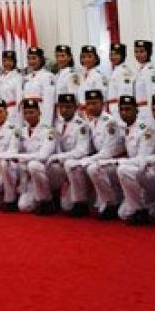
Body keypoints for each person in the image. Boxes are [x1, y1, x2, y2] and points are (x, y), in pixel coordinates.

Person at [63, 89, 117, 217]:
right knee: (71, 164)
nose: (91, 107)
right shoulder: (91, 122)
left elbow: (107, 152)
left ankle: (110, 204)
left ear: (102, 104)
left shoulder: (110, 122)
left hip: (113, 161)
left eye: (94, 103)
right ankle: (80, 203)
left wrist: (86, 160)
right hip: (99, 160)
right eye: (89, 104)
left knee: (92, 168)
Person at [40, 93, 91, 213]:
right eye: (61, 107)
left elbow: (82, 151)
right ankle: (52, 197)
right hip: (62, 164)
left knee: (67, 207)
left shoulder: (82, 125)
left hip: (76, 165)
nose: (64, 110)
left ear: (75, 108)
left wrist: (60, 156)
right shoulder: (57, 125)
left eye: (68, 107)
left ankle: (80, 202)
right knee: (44, 166)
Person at [115, 95, 155, 223]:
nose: (125, 113)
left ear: (137, 110)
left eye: (128, 109)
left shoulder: (145, 130)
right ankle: (145, 206)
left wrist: (120, 162)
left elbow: (143, 158)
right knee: (122, 213)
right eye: (122, 110)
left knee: (123, 169)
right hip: (136, 170)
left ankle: (140, 210)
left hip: (150, 172)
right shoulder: (126, 129)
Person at [4, 99, 56, 213]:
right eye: (26, 113)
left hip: (44, 171)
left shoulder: (48, 131)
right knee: (24, 207)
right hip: (26, 174)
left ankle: (46, 200)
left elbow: (43, 155)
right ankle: (10, 198)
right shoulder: (20, 131)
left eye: (31, 112)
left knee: (33, 165)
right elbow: (12, 150)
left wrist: (21, 157)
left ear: (39, 113)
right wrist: (12, 156)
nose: (28, 115)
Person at [22, 48, 55, 127]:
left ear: (41, 59)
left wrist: (46, 123)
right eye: (29, 58)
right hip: (28, 115)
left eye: (34, 58)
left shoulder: (48, 76)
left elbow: (49, 102)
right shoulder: (27, 77)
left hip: (41, 114)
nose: (31, 61)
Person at [133, 40, 155, 122]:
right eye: (136, 51)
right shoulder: (141, 70)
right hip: (140, 112)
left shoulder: (150, 71)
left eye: (142, 51)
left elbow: (153, 95)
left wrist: (152, 117)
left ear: (149, 52)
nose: (138, 54)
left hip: (147, 114)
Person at [106, 43, 134, 115]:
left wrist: (123, 110)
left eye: (116, 54)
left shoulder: (124, 72)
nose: (113, 57)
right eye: (111, 54)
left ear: (123, 55)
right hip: (113, 108)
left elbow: (125, 92)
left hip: (120, 109)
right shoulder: (115, 70)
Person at [0, 51, 23, 126]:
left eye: (10, 61)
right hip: (1, 112)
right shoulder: (0, 78)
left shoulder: (18, 78)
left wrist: (19, 117)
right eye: (4, 61)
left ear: (14, 62)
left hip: (13, 112)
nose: (7, 63)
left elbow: (19, 99)